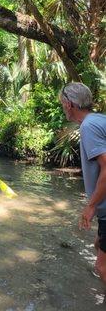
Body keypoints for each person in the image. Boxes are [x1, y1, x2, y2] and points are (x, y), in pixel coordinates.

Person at [60, 82, 106, 283]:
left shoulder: (88, 127)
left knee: (102, 267)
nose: (62, 107)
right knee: (98, 244)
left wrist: (91, 206)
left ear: (69, 104)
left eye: (62, 103)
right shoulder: (99, 120)